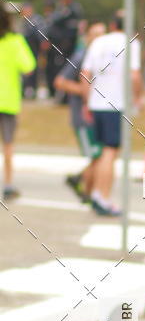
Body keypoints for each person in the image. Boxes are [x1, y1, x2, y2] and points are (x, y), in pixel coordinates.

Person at [80, 11, 142, 215]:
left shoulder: (98, 42)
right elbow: (134, 76)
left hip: (97, 102)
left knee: (101, 151)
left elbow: (85, 74)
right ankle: (102, 197)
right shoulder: (131, 43)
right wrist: (137, 99)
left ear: (113, 25)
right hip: (115, 103)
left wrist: (87, 101)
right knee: (110, 151)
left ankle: (94, 193)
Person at [54, 22, 106, 203]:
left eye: (103, 35)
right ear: (88, 37)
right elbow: (60, 82)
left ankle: (83, 186)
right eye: (95, 35)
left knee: (99, 155)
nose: (99, 39)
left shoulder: (104, 57)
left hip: (98, 114)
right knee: (97, 155)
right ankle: (86, 190)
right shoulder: (80, 57)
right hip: (82, 117)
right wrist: (84, 91)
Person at [0, 5, 36, 200]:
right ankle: (7, 185)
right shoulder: (15, 41)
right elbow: (29, 66)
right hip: (8, 100)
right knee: (7, 145)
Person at [20, 2, 44, 99]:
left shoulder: (36, 20)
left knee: (33, 69)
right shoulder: (23, 21)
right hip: (24, 49)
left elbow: (39, 34)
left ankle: (32, 89)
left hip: (34, 48)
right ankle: (25, 88)